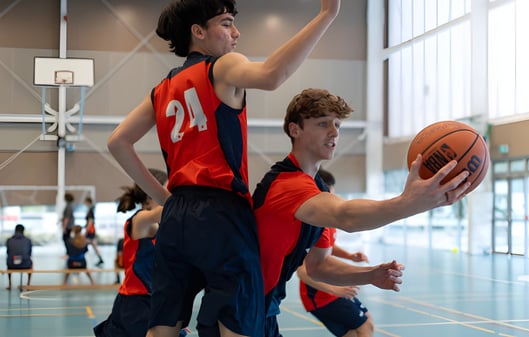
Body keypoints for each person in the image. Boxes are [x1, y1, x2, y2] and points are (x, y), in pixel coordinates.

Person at [106, 1, 341, 336]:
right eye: (227, 23)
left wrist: (166, 199)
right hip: (221, 213)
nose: (236, 33)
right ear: (198, 32)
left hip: (177, 218)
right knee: (237, 325)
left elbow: (118, 142)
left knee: (162, 328)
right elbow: (274, 74)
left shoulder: (161, 89)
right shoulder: (222, 66)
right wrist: (326, 15)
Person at [252, 88, 471, 337]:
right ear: (295, 130)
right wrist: (408, 203)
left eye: (337, 124)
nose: (334, 132)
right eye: (323, 123)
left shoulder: (319, 189)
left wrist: (371, 275)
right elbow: (347, 217)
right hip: (240, 305)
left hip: (264, 307)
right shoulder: (286, 184)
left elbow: (318, 267)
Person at [94, 169, 191, 337]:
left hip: (159, 299)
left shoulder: (163, 226)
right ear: (151, 191)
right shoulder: (140, 220)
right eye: (168, 188)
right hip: (136, 303)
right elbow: (161, 212)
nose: (170, 193)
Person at [296, 169, 374, 337]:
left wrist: (349, 256)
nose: (333, 194)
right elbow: (303, 272)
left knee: (354, 332)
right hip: (320, 295)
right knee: (365, 325)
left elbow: (328, 246)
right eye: (330, 189)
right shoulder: (313, 225)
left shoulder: (327, 222)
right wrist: (334, 290)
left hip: (329, 290)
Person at [5, 224, 33, 290]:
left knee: (10, 259)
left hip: (11, 265)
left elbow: (8, 252)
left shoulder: (9, 240)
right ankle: (28, 284)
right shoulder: (28, 240)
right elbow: (30, 253)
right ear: (23, 231)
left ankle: (9, 284)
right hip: (25, 264)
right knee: (31, 262)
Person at [84, 197, 104, 267]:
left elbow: (90, 222)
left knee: (85, 243)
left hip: (90, 231)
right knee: (93, 245)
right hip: (91, 230)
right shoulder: (90, 210)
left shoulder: (90, 211)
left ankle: (81, 258)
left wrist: (86, 231)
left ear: (88, 202)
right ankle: (100, 259)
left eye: (85, 202)